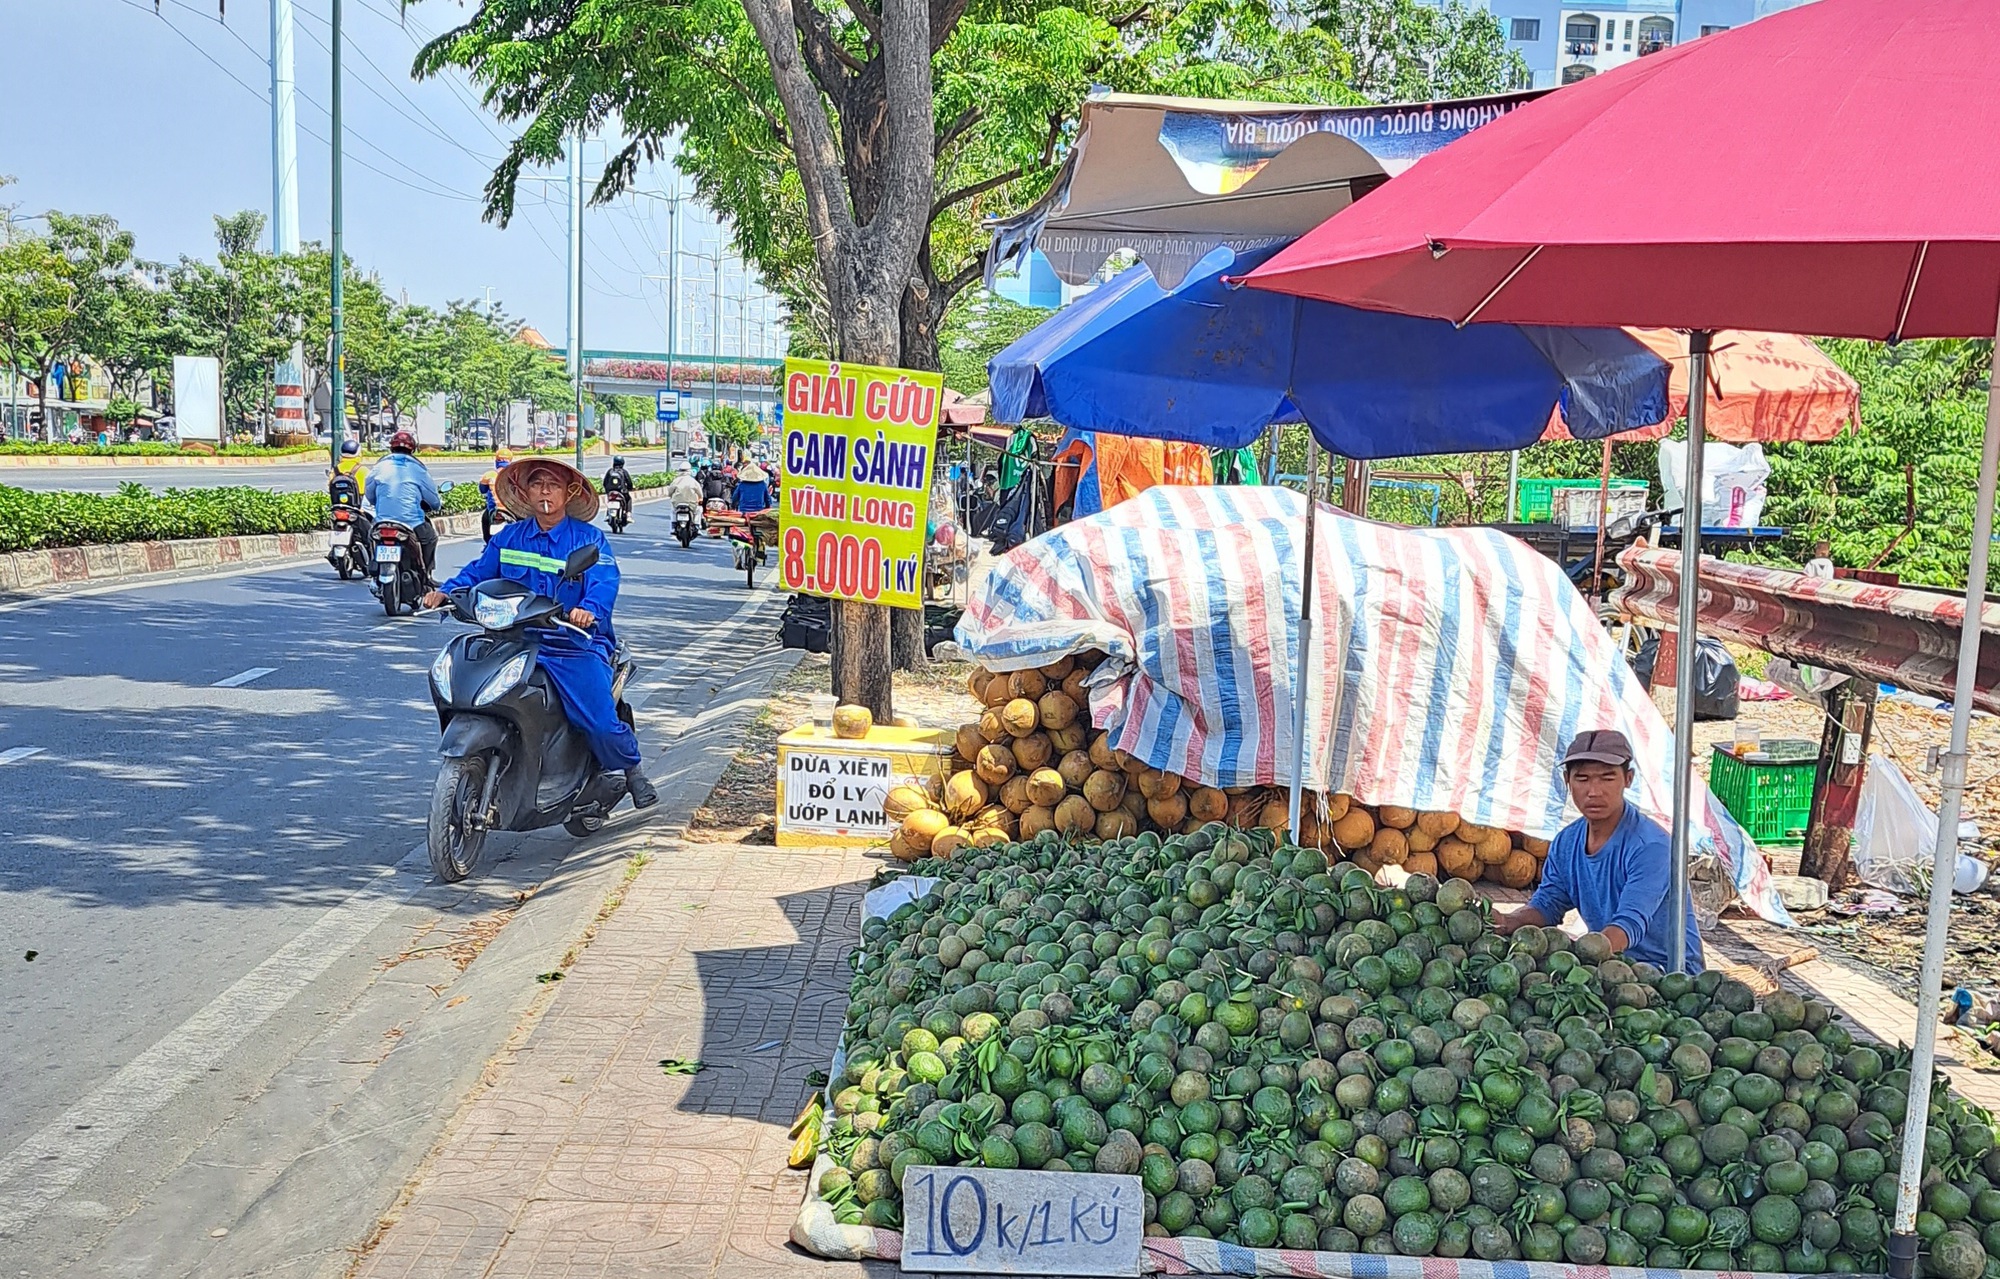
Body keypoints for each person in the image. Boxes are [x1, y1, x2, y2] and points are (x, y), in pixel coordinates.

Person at [421, 458, 658, 809]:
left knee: (599, 723)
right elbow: (478, 571)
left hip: (571, 645)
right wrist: (448, 591)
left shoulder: (588, 539)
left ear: (569, 492)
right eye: (537, 484)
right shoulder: (510, 537)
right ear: (525, 492)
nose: (545, 491)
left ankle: (632, 769)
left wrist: (588, 609)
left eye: (553, 484)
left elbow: (604, 582)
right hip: (515, 641)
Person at [1494, 729, 1704, 971]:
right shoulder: (1567, 842)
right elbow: (1547, 904)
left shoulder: (1651, 847)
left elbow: (1628, 925)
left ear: (1628, 779)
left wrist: (1581, 963)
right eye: (1582, 779)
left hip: (1669, 976)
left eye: (1607, 777)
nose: (1594, 791)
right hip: (1608, 965)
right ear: (1567, 781)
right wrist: (1508, 922)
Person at [365, 430, 442, 579]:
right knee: (430, 538)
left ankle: (374, 564)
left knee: (371, 536)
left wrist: (377, 503)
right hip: (412, 523)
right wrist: (436, 506)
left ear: (391, 448)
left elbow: (369, 494)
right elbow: (433, 500)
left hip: (382, 522)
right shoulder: (418, 470)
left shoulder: (378, 468)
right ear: (412, 450)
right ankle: (425, 575)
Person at [478, 448, 513, 542]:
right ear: (510, 461)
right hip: (511, 510)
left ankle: (487, 541)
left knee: (485, 520)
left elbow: (482, 490)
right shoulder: (515, 475)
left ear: (496, 461)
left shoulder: (489, 475)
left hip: (493, 510)